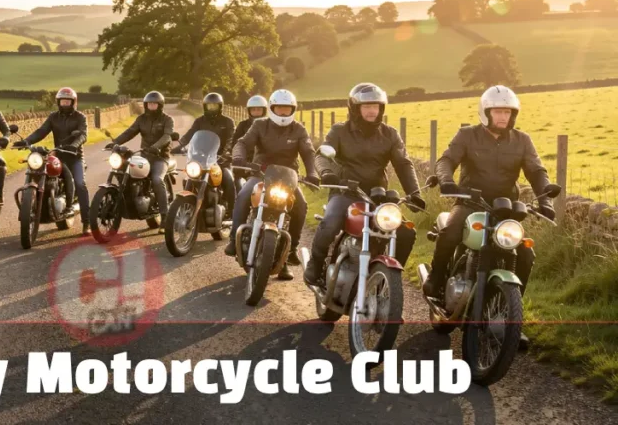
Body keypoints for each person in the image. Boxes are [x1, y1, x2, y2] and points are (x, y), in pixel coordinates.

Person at [424, 85, 554, 350]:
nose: (503, 117)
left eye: (507, 111)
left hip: (505, 208)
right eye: (498, 111)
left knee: (525, 254)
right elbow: (447, 160)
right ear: (486, 112)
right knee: (450, 231)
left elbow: (536, 171)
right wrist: (447, 181)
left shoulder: (522, 140)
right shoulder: (467, 135)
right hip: (470, 203)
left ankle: (510, 318)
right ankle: (436, 280)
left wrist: (546, 199)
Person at [304, 83, 425, 286]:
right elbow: (322, 154)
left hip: (378, 196)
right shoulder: (340, 131)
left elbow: (403, 164)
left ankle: (388, 283)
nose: (372, 111)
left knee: (405, 233)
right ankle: (316, 266)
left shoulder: (390, 134)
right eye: (366, 106)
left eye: (376, 106)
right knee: (330, 222)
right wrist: (327, 173)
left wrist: (415, 193)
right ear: (355, 108)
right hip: (345, 192)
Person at [230, 89, 319, 280]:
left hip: (288, 177)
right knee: (245, 194)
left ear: (293, 110)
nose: (283, 113)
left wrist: (312, 172)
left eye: (287, 109)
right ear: (272, 108)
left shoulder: (299, 129)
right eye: (279, 108)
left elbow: (308, 152)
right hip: (261, 173)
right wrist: (238, 157)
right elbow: (243, 143)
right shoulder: (260, 125)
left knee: (301, 207)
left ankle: (290, 252)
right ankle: (232, 239)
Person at [14, 87, 91, 235]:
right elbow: (41, 131)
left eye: (68, 101)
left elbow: (83, 135)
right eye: (62, 101)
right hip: (58, 156)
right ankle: (32, 207)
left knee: (80, 184)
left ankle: (86, 221)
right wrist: (26, 141)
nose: (65, 104)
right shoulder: (53, 117)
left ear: (73, 102)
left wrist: (74, 146)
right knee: (39, 171)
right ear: (58, 102)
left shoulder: (80, 117)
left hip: (74, 156)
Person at [107, 91, 174, 234]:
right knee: (126, 172)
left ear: (160, 105)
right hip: (144, 156)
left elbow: (167, 136)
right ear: (145, 105)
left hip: (161, 157)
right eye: (149, 104)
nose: (151, 106)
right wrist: (115, 143)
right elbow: (130, 132)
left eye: (154, 104)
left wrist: (156, 147)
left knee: (156, 180)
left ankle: (165, 217)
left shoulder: (167, 119)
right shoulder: (141, 119)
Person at [174, 92, 236, 212]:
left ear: (220, 106)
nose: (212, 108)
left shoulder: (228, 122)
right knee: (188, 177)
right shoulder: (199, 121)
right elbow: (189, 134)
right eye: (209, 106)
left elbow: (230, 139)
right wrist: (179, 145)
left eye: (215, 106)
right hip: (200, 159)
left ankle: (232, 213)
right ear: (205, 106)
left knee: (229, 180)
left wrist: (227, 153)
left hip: (220, 160)